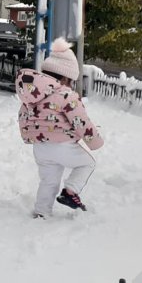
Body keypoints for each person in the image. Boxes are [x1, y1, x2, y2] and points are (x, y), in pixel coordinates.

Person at [15, 38, 103, 218]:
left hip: (40, 147)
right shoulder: (65, 95)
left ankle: (42, 212)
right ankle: (70, 192)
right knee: (87, 163)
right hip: (62, 144)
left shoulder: (31, 96)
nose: (71, 85)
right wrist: (95, 140)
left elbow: (23, 117)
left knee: (49, 181)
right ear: (63, 77)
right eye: (70, 81)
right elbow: (80, 120)